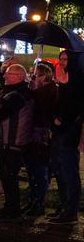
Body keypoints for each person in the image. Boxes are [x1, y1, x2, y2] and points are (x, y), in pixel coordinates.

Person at [0, 63, 34, 221]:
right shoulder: (13, 91)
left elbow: (0, 113)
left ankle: (13, 210)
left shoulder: (19, 94)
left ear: (19, 77)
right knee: (5, 175)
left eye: (9, 74)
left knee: (9, 175)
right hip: (6, 140)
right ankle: (10, 207)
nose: (5, 76)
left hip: (13, 141)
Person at [48, 54, 82, 225]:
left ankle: (71, 211)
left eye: (66, 60)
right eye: (60, 59)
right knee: (59, 170)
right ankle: (64, 207)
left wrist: (62, 118)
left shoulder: (77, 80)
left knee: (69, 170)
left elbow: (75, 106)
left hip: (69, 132)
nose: (62, 63)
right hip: (58, 130)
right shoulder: (61, 79)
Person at [24, 62, 60, 216]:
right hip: (34, 134)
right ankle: (32, 200)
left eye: (36, 74)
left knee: (39, 170)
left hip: (42, 136)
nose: (34, 77)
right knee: (32, 170)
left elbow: (44, 111)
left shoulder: (50, 91)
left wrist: (33, 92)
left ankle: (38, 202)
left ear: (44, 76)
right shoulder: (40, 90)